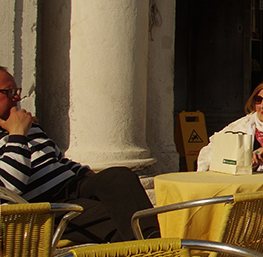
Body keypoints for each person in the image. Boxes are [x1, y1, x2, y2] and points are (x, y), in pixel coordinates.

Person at [0, 67, 157, 243]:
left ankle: (153, 244)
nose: (17, 97)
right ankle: (154, 250)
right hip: (47, 208)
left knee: (118, 176)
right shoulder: (20, 129)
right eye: (9, 92)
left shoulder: (29, 126)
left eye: (17, 91)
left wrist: (87, 175)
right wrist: (17, 134)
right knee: (116, 216)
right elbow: (8, 187)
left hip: (74, 187)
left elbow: (58, 160)